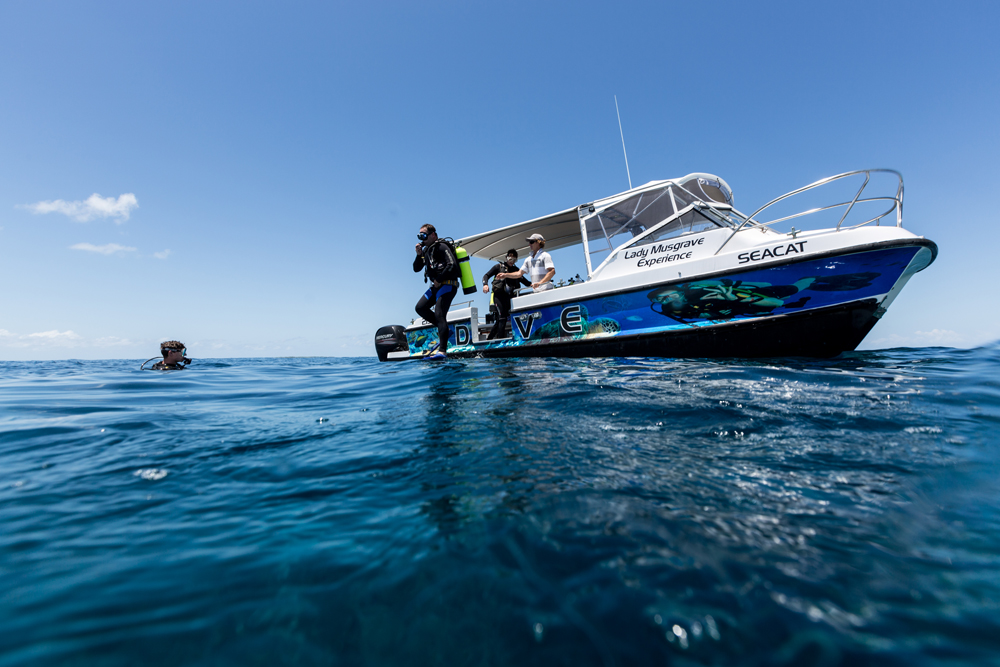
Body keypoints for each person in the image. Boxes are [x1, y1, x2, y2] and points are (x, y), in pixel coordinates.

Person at [413, 224, 460, 360]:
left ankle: (442, 351)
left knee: (440, 314)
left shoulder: (441, 246)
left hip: (447, 284)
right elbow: (416, 268)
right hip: (436, 286)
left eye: (424, 235)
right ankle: (446, 330)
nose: (422, 238)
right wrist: (418, 255)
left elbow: (452, 264)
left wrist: (439, 279)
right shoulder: (427, 251)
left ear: (433, 234)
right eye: (419, 236)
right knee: (420, 307)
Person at [481, 248, 530, 340]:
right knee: (502, 317)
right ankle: (501, 340)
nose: (512, 261)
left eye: (514, 260)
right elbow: (486, 275)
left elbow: (526, 282)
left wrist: (536, 284)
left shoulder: (516, 270)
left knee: (501, 320)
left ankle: (489, 339)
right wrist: (485, 285)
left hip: (510, 298)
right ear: (506, 258)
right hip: (499, 297)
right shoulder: (498, 267)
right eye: (510, 259)